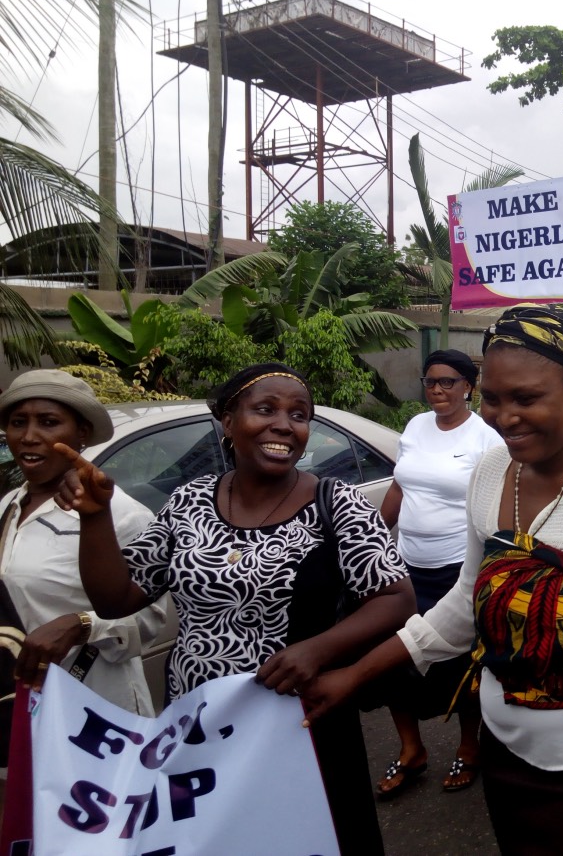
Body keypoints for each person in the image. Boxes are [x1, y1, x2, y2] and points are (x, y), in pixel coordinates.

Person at [303, 307, 563, 856]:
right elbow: (465, 604)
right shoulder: (491, 472)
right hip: (508, 763)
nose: (505, 417)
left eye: (526, 398)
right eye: (494, 398)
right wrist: (354, 675)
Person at [63, 363, 416, 855]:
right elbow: (116, 598)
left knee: (306, 836)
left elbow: (396, 597)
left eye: (299, 414)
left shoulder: (336, 504)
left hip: (300, 722)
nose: (284, 425)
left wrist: (317, 649)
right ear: (228, 422)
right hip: (198, 722)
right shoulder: (187, 502)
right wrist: (95, 516)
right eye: (265, 409)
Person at [0, 370, 167, 723]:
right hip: (18, 706)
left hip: (94, 711)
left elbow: (150, 621)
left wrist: (82, 625)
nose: (29, 437)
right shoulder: (7, 507)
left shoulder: (120, 514)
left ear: (82, 434)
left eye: (48, 423)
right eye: (18, 423)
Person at [375, 350, 503, 798]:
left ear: (469, 385)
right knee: (397, 661)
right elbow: (400, 484)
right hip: (406, 567)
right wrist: (374, 540)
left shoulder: (487, 438)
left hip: (458, 570)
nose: (437, 390)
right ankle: (412, 750)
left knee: (461, 668)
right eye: (430, 382)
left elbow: (495, 506)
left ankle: (470, 749)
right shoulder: (415, 427)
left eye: (448, 382)